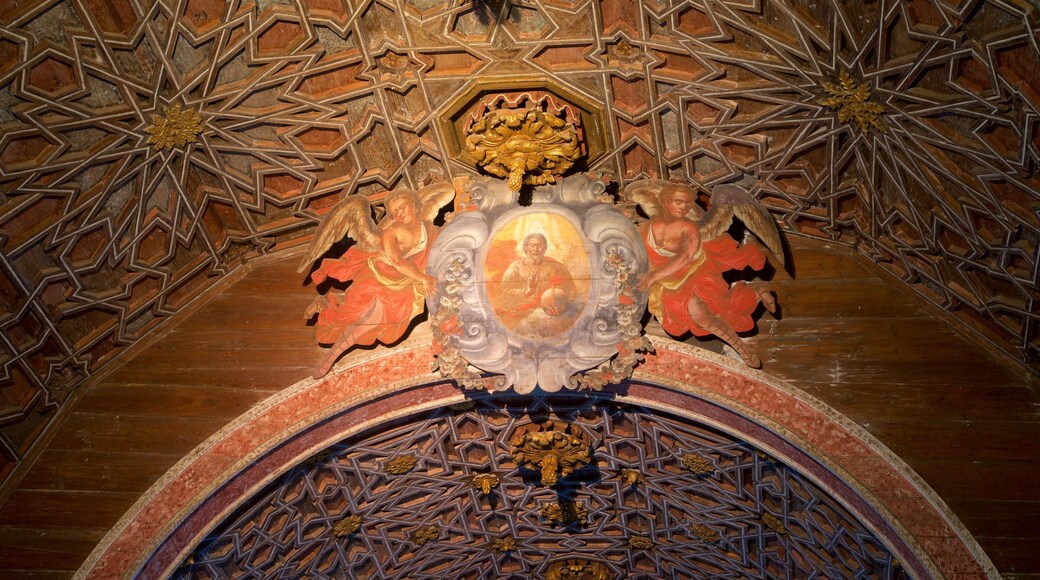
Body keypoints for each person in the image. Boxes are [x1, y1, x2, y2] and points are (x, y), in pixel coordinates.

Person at [636, 184, 774, 367]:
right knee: (714, 316)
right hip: (668, 283)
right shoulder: (644, 229)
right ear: (665, 201)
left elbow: (685, 257)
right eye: (679, 202)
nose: (684, 207)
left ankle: (743, 350)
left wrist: (652, 276)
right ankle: (756, 293)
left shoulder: (690, 228)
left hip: (696, 273)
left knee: (702, 317)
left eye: (687, 203)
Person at [307, 189, 440, 377]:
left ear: (414, 205)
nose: (399, 214)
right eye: (395, 212)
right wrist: (423, 278)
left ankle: (325, 313)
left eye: (402, 207)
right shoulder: (390, 232)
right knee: (356, 317)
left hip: (405, 283)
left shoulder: (428, 227)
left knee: (377, 322)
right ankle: (330, 356)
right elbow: (396, 261)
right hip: (378, 277)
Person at [495, 233, 577, 337]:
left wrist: (561, 306)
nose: (536, 249)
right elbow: (503, 294)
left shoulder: (556, 266)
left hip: (553, 314)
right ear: (526, 247)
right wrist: (525, 291)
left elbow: (571, 290)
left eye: (539, 246)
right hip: (523, 314)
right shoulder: (516, 268)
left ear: (545, 248)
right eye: (532, 245)